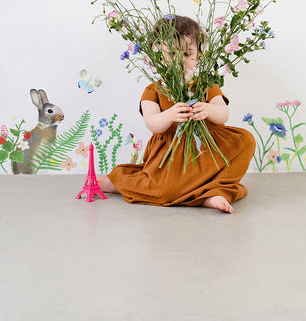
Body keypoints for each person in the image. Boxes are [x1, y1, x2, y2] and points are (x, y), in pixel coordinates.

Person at [98, 16, 256, 214]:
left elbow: (223, 114)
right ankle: (120, 181)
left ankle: (214, 191)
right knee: (166, 191)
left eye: (187, 54)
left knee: (246, 140)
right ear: (156, 54)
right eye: (172, 53)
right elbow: (152, 123)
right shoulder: (154, 90)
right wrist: (170, 115)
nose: (180, 61)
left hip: (207, 150)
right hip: (173, 153)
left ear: (199, 54)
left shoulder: (206, 84)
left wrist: (208, 109)